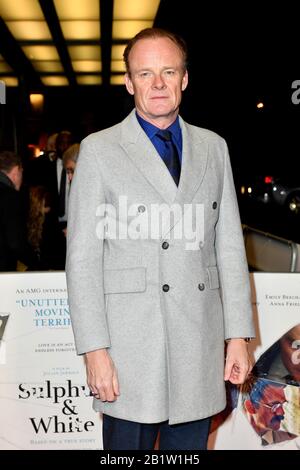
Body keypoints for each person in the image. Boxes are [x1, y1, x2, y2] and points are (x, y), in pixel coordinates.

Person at [66, 27, 255, 451]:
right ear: (129, 82)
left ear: (184, 79)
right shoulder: (99, 150)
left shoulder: (214, 147)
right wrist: (94, 351)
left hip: (198, 343)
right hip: (130, 349)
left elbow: (228, 248)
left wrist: (239, 334)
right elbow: (81, 260)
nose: (157, 84)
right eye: (145, 73)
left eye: (168, 71)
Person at [0, 150, 38, 271]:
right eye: (22, 172)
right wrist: (38, 264)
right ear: (16, 170)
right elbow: (15, 243)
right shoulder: (10, 197)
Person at [243, 378, 297, 446]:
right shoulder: (230, 439)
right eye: (274, 405)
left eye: (282, 404)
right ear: (250, 407)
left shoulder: (291, 442)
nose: (281, 412)